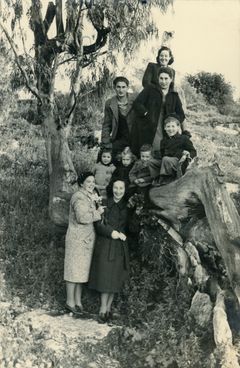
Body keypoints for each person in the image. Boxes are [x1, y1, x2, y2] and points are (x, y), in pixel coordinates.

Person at [88, 179, 129, 323]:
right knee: (105, 278)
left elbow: (131, 228)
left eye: (121, 188)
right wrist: (112, 232)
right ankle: (102, 309)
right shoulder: (104, 203)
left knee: (115, 279)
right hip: (106, 244)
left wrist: (138, 212)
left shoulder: (127, 206)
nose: (118, 191)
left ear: (125, 189)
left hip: (120, 247)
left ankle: (108, 309)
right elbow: (99, 225)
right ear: (112, 189)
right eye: (116, 188)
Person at [64, 172, 105, 315]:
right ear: (81, 183)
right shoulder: (78, 197)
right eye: (88, 182)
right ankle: (70, 302)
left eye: (93, 181)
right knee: (73, 270)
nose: (91, 184)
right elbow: (82, 217)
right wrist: (98, 212)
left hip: (86, 239)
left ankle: (78, 301)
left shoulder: (89, 195)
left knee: (81, 271)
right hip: (77, 239)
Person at [131, 66, 188, 158]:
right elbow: (137, 103)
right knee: (147, 151)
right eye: (161, 78)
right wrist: (146, 113)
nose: (163, 81)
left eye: (166, 78)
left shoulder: (174, 95)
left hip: (165, 127)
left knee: (162, 151)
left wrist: (185, 131)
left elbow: (181, 114)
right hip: (149, 124)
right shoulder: (150, 89)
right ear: (158, 79)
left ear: (171, 79)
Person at [101, 76, 136, 162]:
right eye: (118, 87)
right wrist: (106, 142)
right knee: (106, 156)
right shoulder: (110, 103)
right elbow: (107, 124)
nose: (121, 90)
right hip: (120, 138)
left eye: (123, 87)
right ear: (114, 88)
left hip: (135, 137)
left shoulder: (135, 99)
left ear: (127, 88)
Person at [158, 114, 197, 184]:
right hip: (166, 163)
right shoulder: (163, 141)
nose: (170, 129)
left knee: (166, 159)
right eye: (168, 127)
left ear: (178, 127)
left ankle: (166, 179)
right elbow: (162, 154)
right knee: (152, 163)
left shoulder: (183, 138)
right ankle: (155, 178)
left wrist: (188, 154)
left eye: (173, 126)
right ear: (164, 128)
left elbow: (193, 151)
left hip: (179, 162)